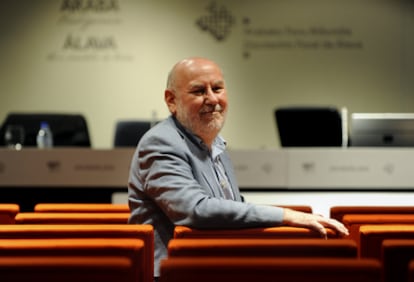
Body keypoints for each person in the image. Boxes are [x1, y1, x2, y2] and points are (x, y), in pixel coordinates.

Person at [127, 57, 349, 280]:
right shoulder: (161, 142)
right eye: (198, 91)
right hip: (170, 274)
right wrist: (285, 216)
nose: (212, 99)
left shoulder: (215, 144)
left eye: (217, 88)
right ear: (171, 100)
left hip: (212, 266)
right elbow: (196, 210)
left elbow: (232, 209)